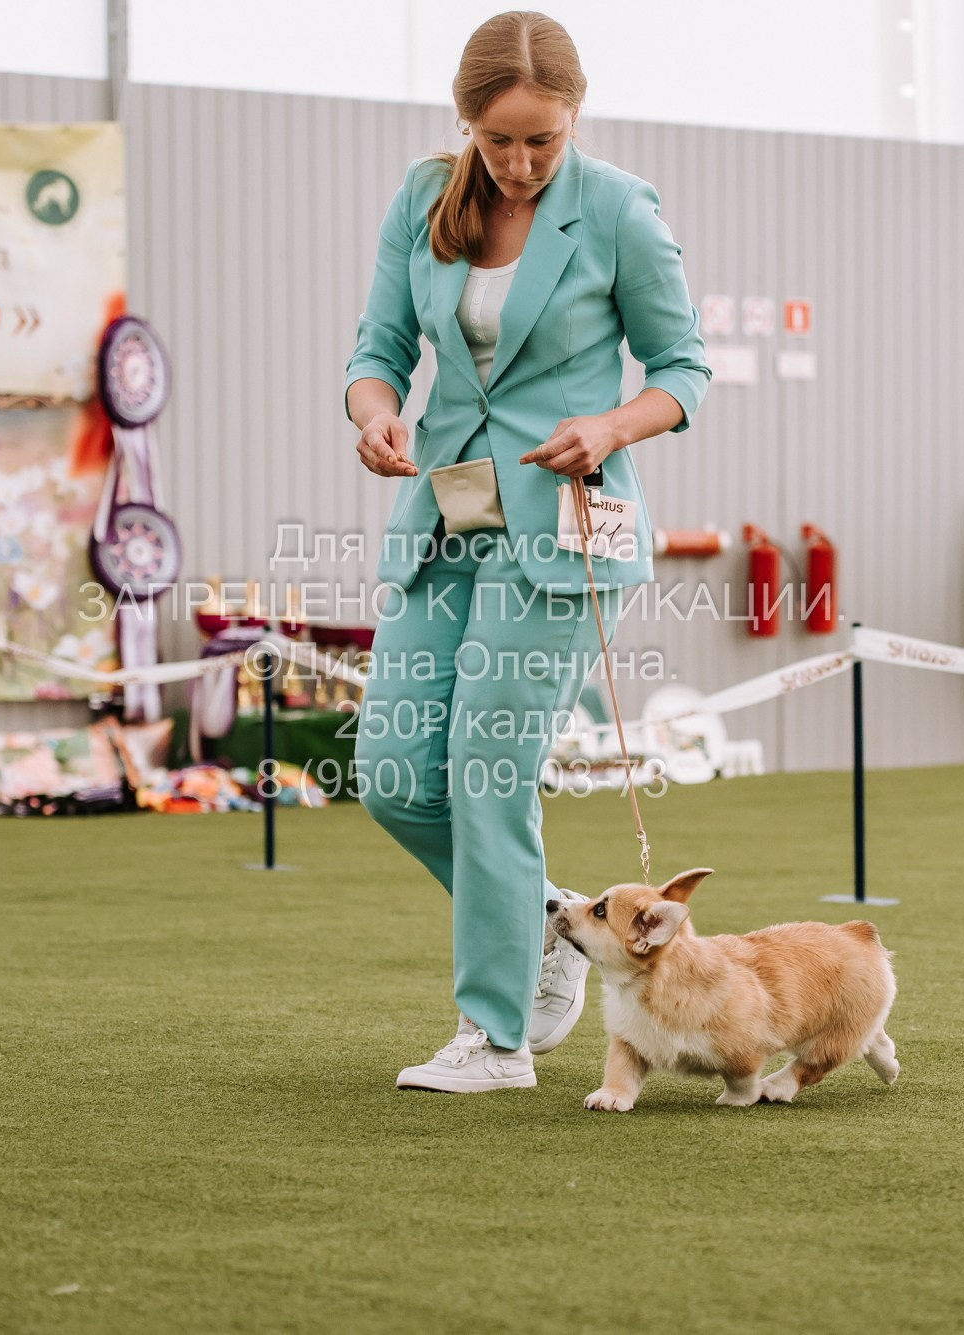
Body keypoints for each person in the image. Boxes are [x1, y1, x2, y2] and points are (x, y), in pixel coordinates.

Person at [342, 10, 710, 1093]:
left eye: (539, 141)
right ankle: (555, 925)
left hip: (562, 529)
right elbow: (377, 350)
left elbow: (680, 370)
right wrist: (372, 415)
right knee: (393, 776)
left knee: (485, 775)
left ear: (571, 119)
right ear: (465, 124)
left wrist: (609, 426)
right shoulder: (423, 198)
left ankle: (493, 1041)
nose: (516, 164)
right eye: (496, 140)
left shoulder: (616, 210)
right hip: (444, 514)